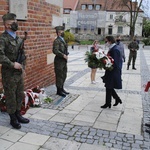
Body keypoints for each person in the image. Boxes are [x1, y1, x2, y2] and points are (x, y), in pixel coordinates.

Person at [0, 13, 29, 129]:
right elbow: (0, 56)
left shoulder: (18, 38)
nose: (15, 24)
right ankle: (12, 118)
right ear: (7, 25)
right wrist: (13, 64)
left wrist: (23, 68)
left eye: (15, 21)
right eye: (13, 23)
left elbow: (23, 55)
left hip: (19, 73)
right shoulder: (3, 39)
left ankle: (18, 113)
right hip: (9, 73)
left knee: (19, 94)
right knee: (11, 95)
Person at [101, 36, 122, 109]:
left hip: (113, 71)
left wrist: (107, 64)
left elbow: (115, 62)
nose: (105, 43)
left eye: (106, 41)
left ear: (110, 41)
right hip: (110, 70)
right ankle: (116, 99)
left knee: (109, 86)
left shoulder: (115, 49)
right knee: (109, 86)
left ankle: (108, 103)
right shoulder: (113, 48)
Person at [52, 26, 69, 97]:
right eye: (62, 31)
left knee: (64, 74)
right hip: (59, 61)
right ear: (58, 33)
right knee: (59, 76)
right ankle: (59, 90)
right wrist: (62, 55)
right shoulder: (56, 41)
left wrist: (66, 54)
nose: (63, 32)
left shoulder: (63, 39)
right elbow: (55, 50)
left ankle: (62, 88)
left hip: (64, 61)